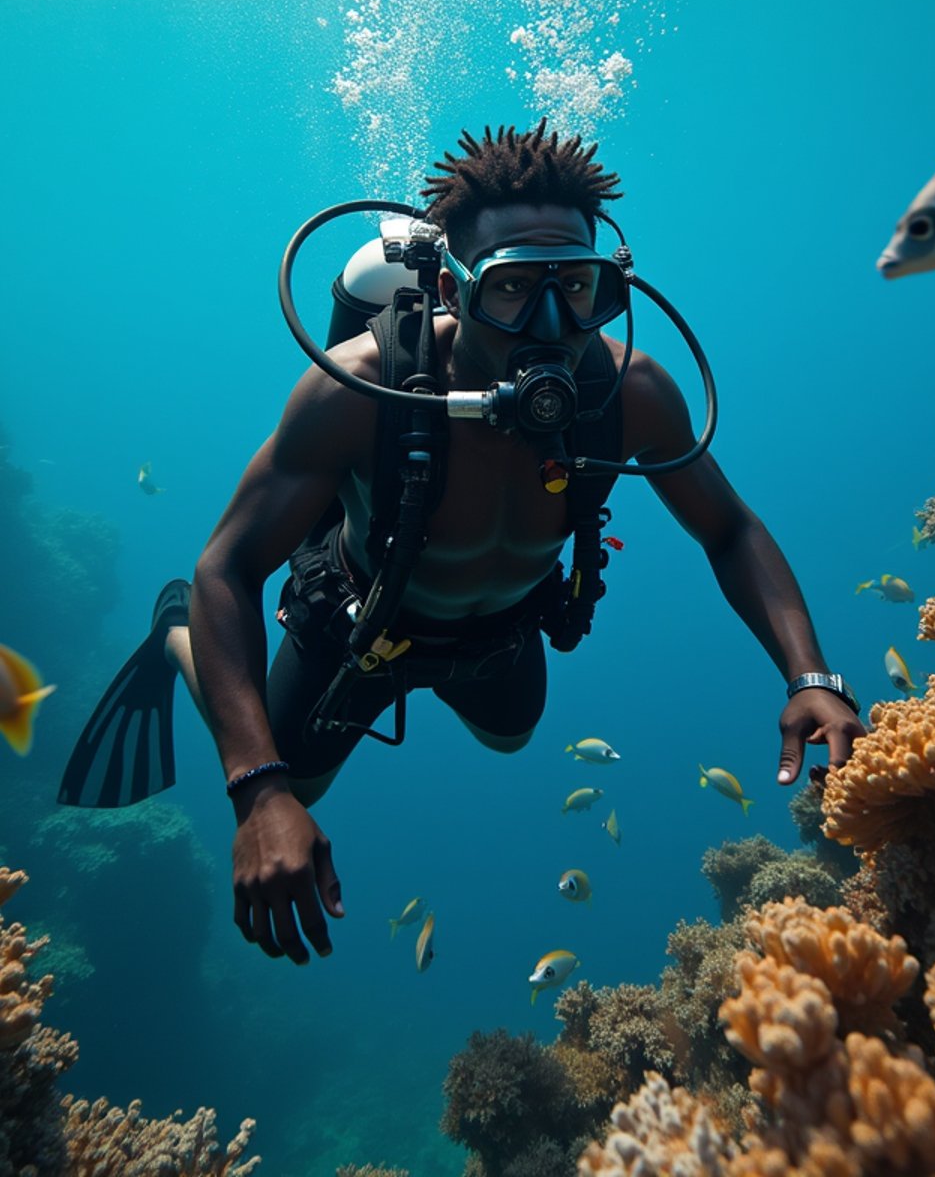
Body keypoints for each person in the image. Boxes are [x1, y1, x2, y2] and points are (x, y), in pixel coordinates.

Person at [60, 123, 865, 965]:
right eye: (514, 288)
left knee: (513, 736)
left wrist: (810, 675)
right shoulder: (356, 391)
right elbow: (227, 564)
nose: (554, 323)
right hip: (354, 633)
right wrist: (256, 793)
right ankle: (174, 635)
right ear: (451, 286)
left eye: (580, 287)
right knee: (297, 786)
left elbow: (729, 527)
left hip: (500, 635)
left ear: (609, 284)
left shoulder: (633, 392)